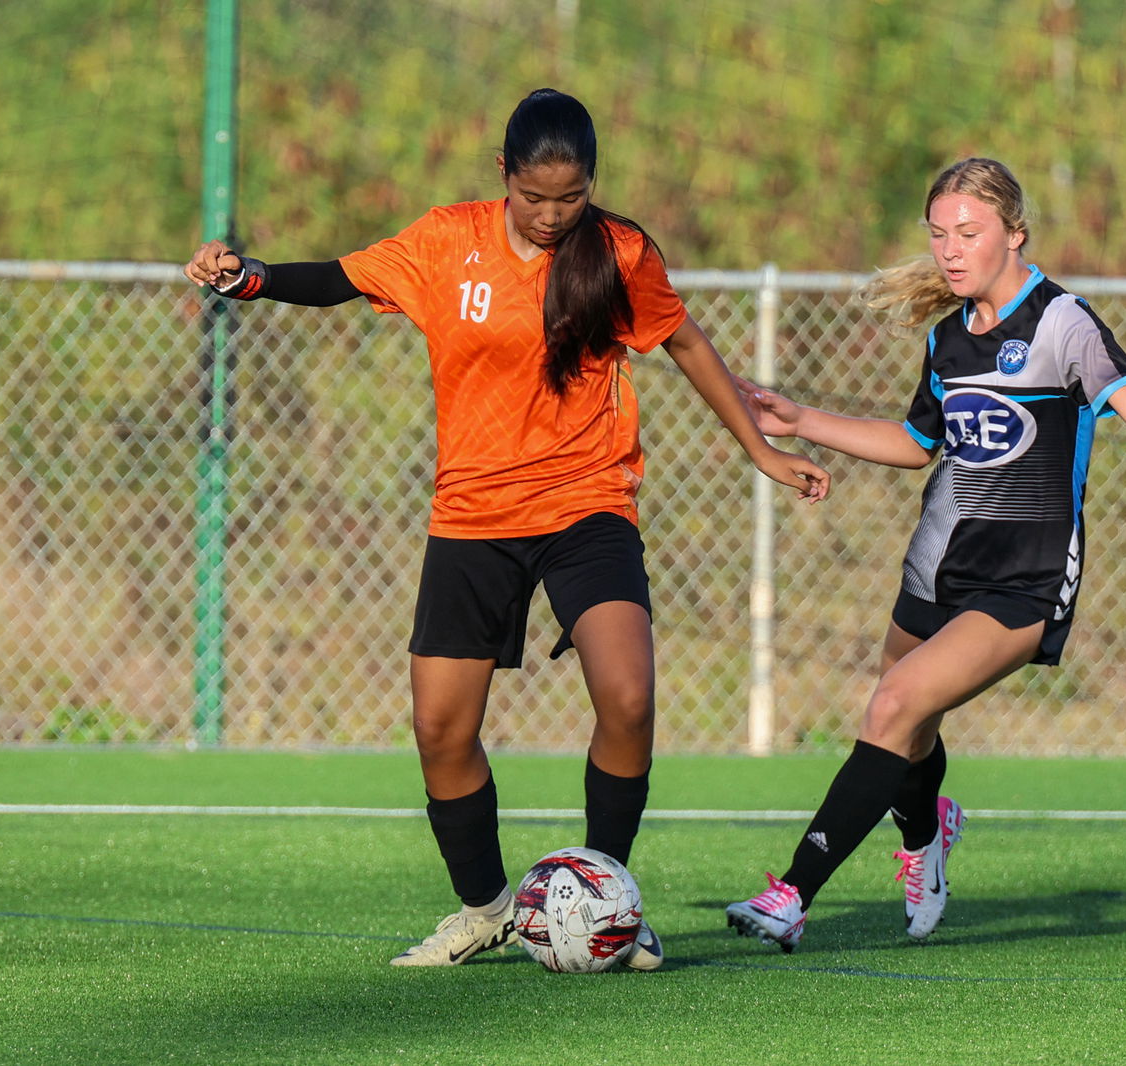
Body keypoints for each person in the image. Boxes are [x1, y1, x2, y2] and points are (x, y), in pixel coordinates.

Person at [183, 88, 829, 971]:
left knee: (629, 697)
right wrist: (250, 277)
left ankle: (611, 897)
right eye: (535, 197)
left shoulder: (619, 252)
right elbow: (341, 278)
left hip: (586, 502)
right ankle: (484, 908)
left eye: (572, 197)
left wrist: (759, 449)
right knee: (441, 731)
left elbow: (685, 343)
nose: (555, 214)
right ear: (504, 176)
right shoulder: (448, 241)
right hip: (473, 515)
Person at [724, 157, 1126, 951]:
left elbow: (1123, 390)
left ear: (1014, 233)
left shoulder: (1060, 322)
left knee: (894, 706)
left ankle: (791, 895)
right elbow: (913, 443)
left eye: (968, 233)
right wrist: (800, 418)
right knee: (911, 726)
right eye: (939, 235)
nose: (950, 250)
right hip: (935, 565)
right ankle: (926, 837)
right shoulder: (947, 340)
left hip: (1023, 582)